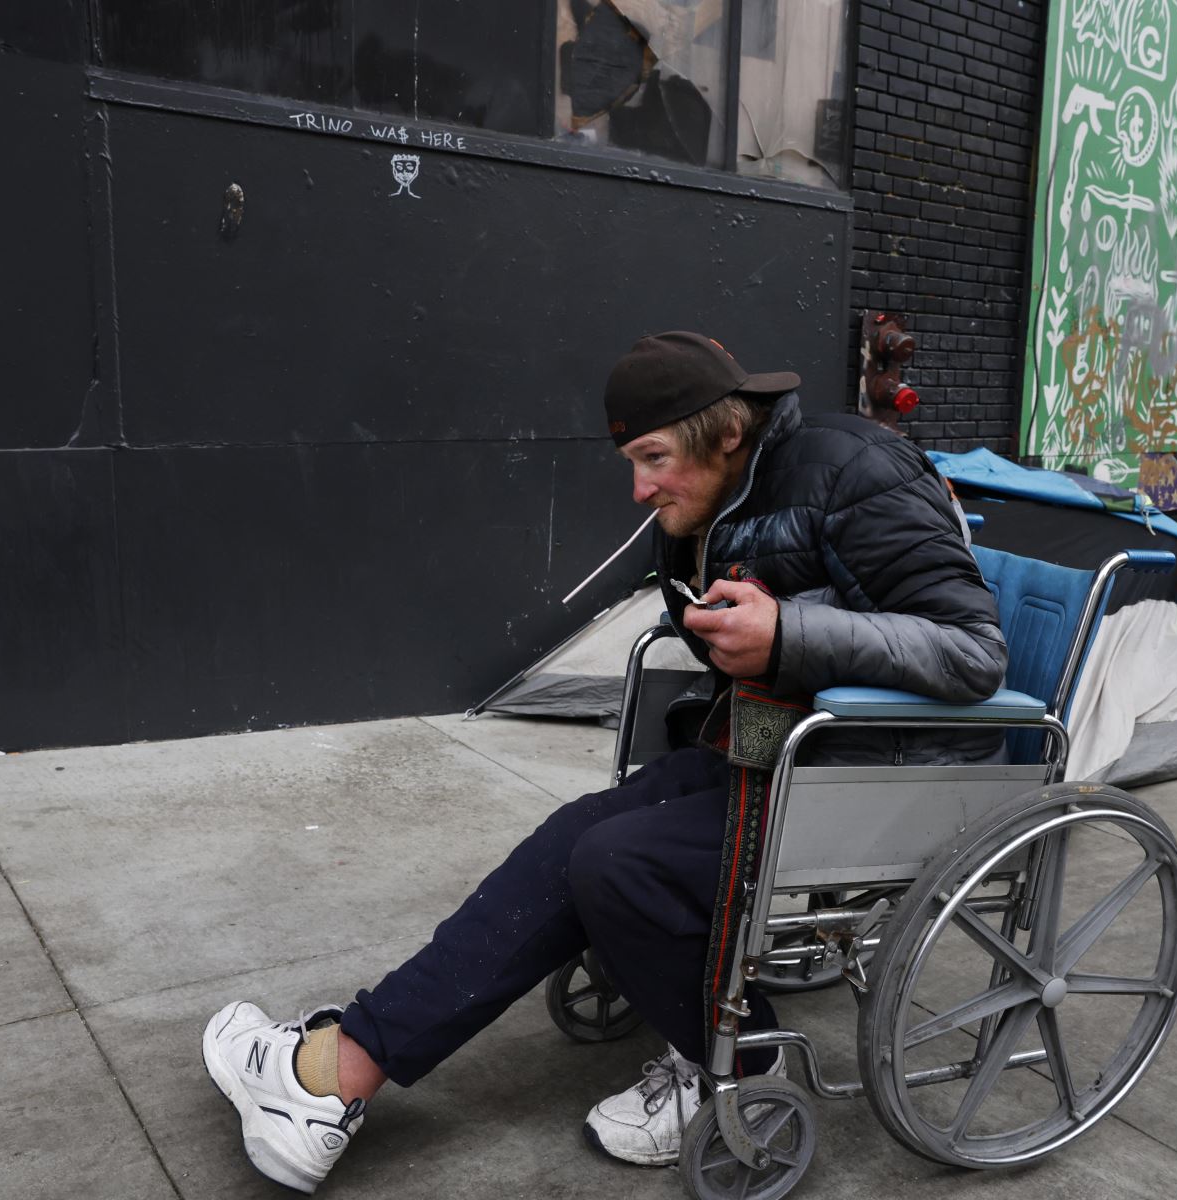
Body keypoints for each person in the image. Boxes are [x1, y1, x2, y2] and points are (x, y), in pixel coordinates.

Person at [200, 331, 1008, 1193]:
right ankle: (335, 1071)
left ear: (726, 432)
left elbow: (974, 653)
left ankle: (745, 1070)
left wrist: (788, 633)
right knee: (577, 833)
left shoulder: (857, 469)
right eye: (632, 459)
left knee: (621, 866)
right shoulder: (709, 502)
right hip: (792, 747)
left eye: (654, 457)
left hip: (894, 773)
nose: (639, 487)